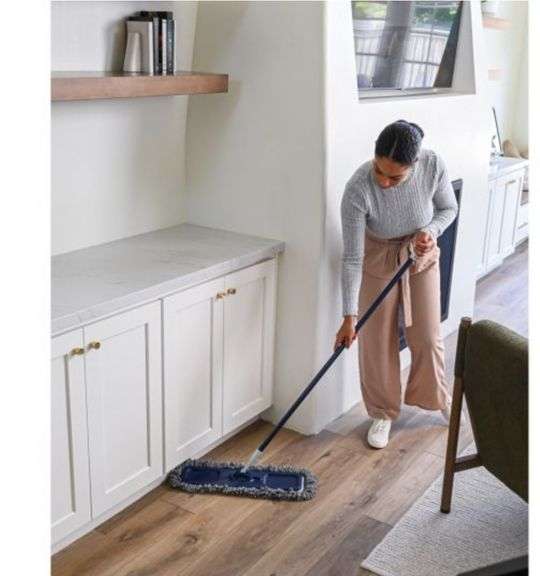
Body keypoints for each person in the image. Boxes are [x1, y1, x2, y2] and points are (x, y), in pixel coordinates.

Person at [334, 119, 458, 449]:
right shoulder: (358, 188)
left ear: (414, 164)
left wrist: (430, 231)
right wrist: (349, 316)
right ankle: (382, 412)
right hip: (377, 257)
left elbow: (448, 208)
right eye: (379, 171)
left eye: (395, 177)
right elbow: (352, 258)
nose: (384, 182)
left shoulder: (432, 165)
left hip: (420, 253)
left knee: (428, 336)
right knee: (375, 342)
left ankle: (437, 396)